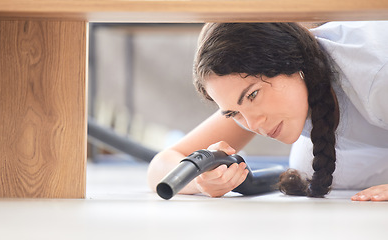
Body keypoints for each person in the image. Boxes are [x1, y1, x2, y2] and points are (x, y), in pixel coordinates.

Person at [147, 22, 388, 201]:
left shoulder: (376, 73)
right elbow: (163, 163)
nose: (254, 124)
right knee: (306, 162)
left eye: (252, 95)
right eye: (233, 113)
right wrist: (201, 182)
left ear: (293, 64)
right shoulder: (248, 102)